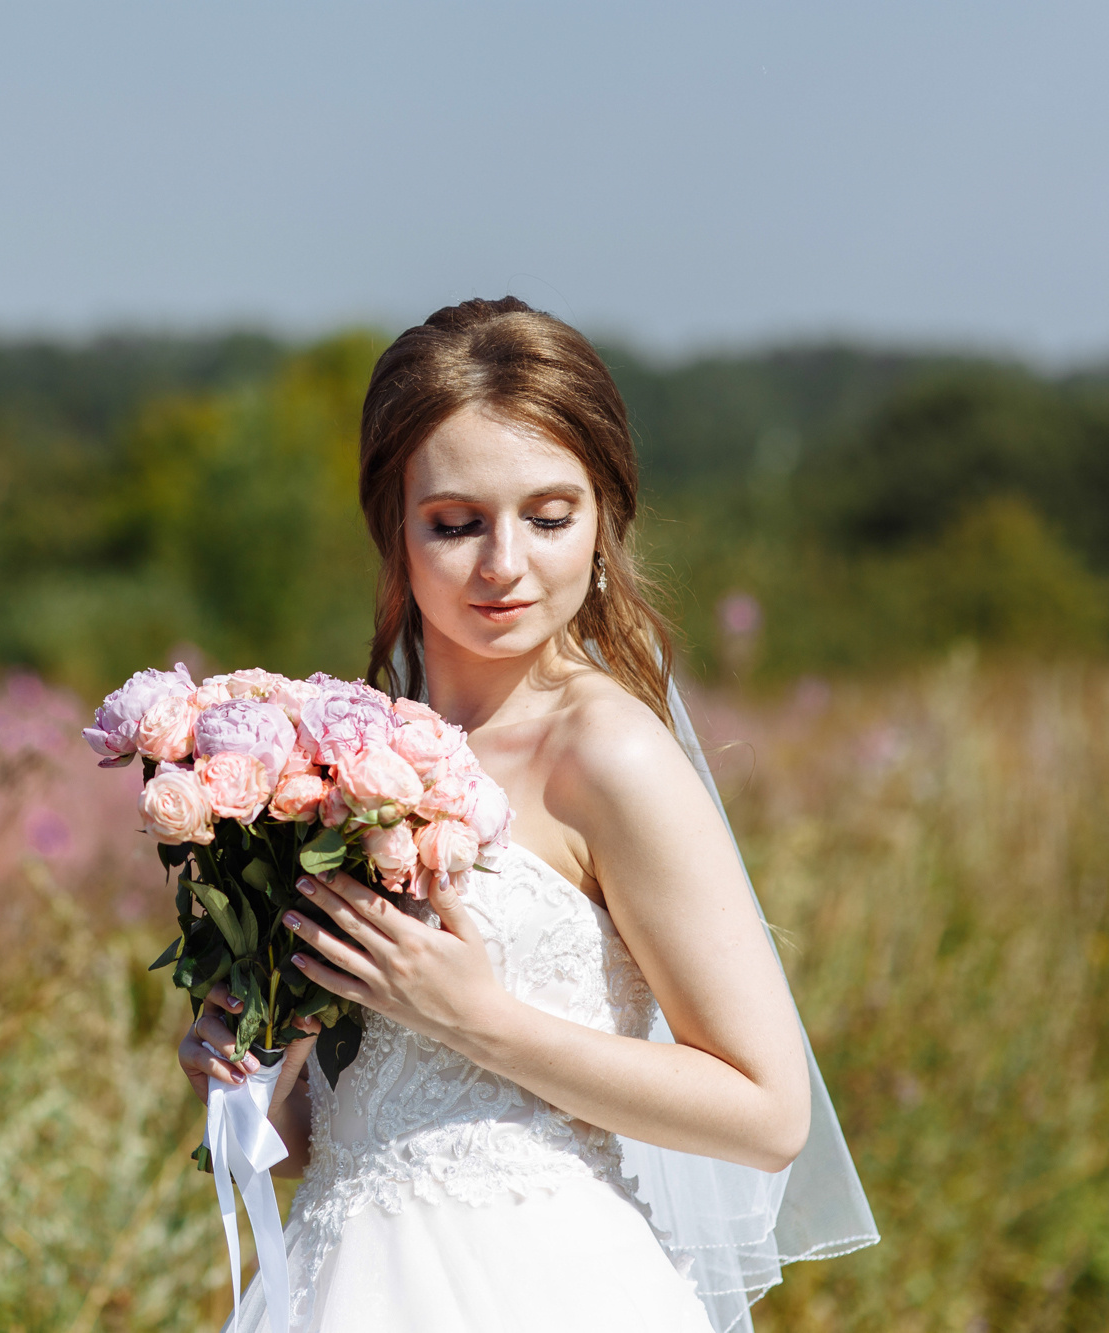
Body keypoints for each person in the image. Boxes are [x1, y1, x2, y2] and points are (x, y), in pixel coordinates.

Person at [176, 298, 874, 1332]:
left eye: (548, 516)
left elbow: (768, 1113)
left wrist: (480, 1018)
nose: (503, 563)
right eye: (456, 523)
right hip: (347, 1279)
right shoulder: (340, 762)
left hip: (548, 1285)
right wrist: (254, 1064)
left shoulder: (608, 754)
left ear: (603, 518)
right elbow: (350, 1132)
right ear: (394, 527)